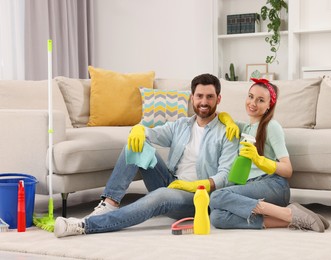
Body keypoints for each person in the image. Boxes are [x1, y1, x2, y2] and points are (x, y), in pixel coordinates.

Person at [54, 73, 239, 238]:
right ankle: (109, 203)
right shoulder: (182, 125)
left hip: (198, 197)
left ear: (218, 99)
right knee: (138, 143)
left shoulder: (227, 132)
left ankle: (86, 225)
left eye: (209, 97)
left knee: (160, 196)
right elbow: (153, 133)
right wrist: (139, 129)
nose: (204, 102)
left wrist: (196, 186)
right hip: (171, 182)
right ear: (192, 98)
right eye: (199, 96)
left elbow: (225, 176)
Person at [212, 78, 329, 232]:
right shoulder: (244, 127)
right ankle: (294, 218)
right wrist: (229, 122)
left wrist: (259, 159)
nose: (253, 103)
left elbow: (288, 170)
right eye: (250, 96)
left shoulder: (271, 126)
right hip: (252, 187)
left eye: (260, 100)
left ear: (269, 106)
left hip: (273, 185)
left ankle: (286, 212)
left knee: (216, 196)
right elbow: (218, 115)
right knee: (216, 217)